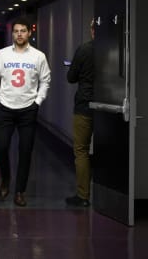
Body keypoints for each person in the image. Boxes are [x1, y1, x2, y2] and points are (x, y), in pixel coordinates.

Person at [0, 16, 51, 206]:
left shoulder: (38, 56)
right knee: (0, 148)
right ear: (12, 33)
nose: (19, 34)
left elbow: (45, 80)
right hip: (4, 108)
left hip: (27, 110)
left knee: (25, 151)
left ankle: (19, 191)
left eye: (23, 30)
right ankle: (6, 177)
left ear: (29, 33)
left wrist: (38, 101)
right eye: (16, 31)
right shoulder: (3, 54)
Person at [65, 21, 95, 207]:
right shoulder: (119, 48)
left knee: (82, 150)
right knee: (111, 150)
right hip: (110, 106)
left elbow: (71, 78)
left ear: (92, 29)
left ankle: (83, 196)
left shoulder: (84, 49)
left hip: (85, 105)